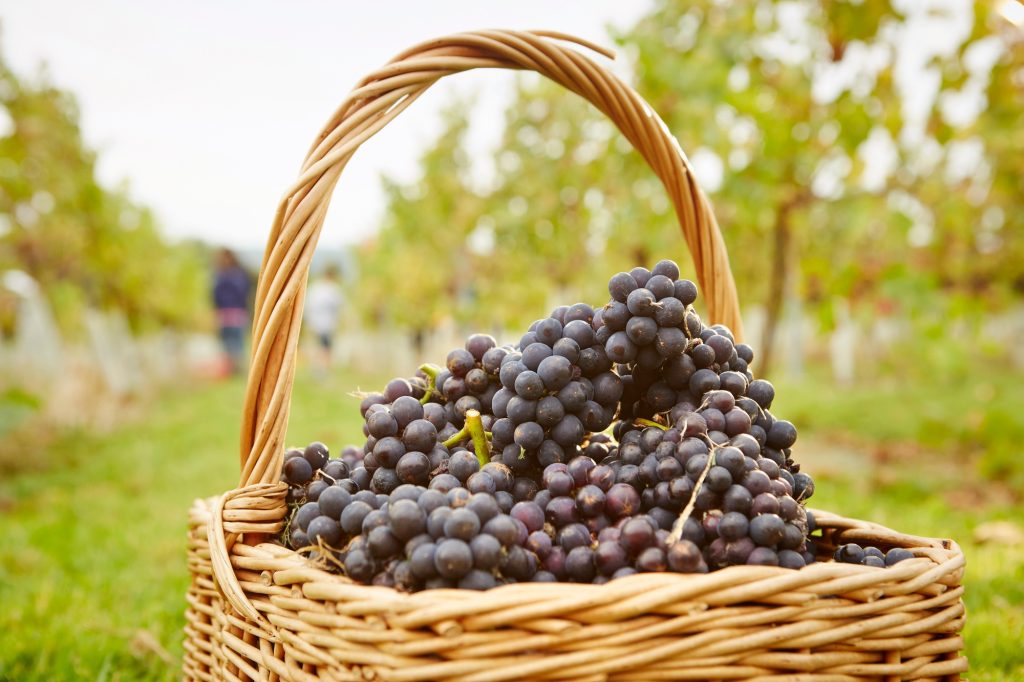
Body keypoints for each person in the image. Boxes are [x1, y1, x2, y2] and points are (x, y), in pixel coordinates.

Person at [212, 248, 250, 375]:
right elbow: (215, 295)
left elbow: (242, 294)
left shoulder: (236, 275)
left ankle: (238, 369)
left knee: (236, 341)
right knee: (227, 342)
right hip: (224, 313)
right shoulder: (220, 275)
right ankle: (230, 369)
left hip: (236, 312)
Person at [304, 264, 344, 375]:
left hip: (315, 323)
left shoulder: (315, 288)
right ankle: (322, 371)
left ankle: (318, 369)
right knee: (326, 348)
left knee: (318, 347)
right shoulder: (333, 289)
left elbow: (307, 306)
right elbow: (339, 307)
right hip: (326, 324)